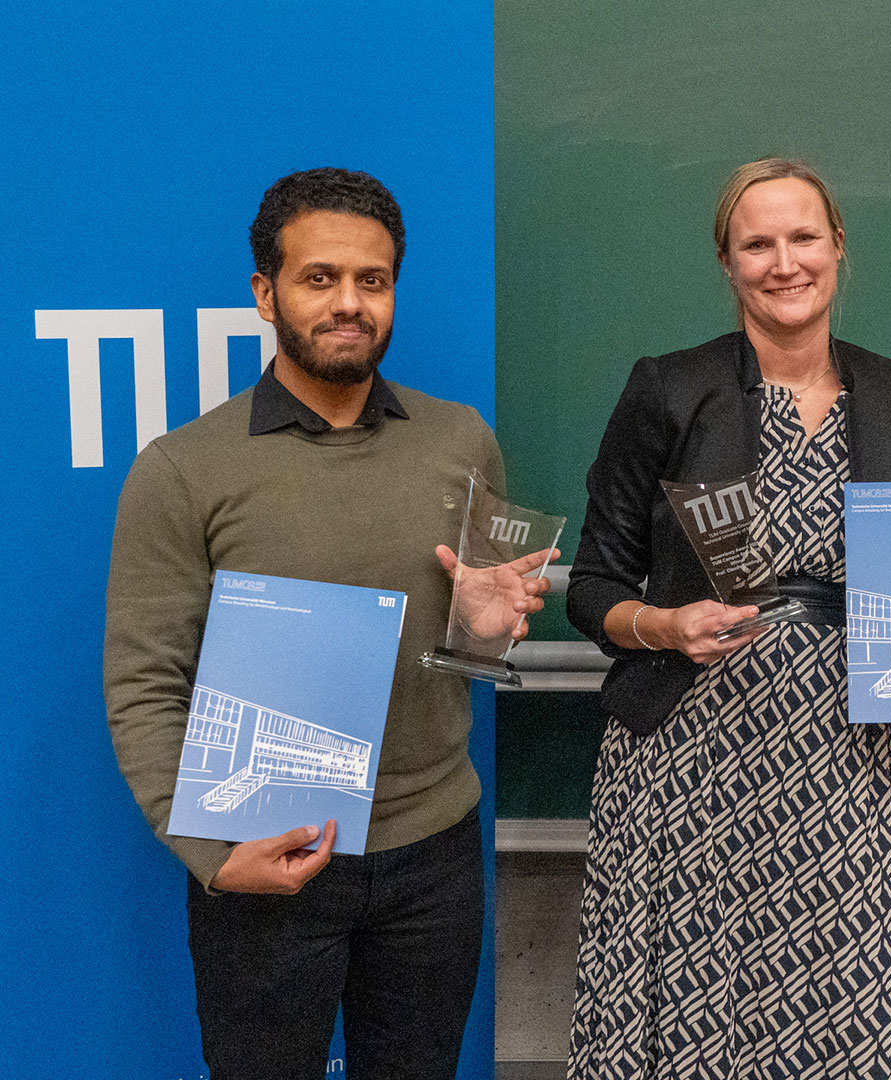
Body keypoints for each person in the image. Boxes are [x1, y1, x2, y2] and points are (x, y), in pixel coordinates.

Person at [565, 157, 891, 1079]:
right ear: (727, 262)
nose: (784, 262)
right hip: (687, 755)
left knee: (844, 1008)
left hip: (846, 757)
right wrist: (662, 628)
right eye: (758, 243)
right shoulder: (669, 388)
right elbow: (593, 583)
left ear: (838, 249)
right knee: (692, 1012)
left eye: (803, 238)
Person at [104, 167, 552, 1078]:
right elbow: (145, 683)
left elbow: (474, 647)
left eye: (372, 281)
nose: (349, 304)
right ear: (266, 293)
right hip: (265, 855)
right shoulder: (182, 470)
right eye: (319, 279)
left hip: (434, 854)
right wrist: (209, 855)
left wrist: (486, 632)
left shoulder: (459, 438)